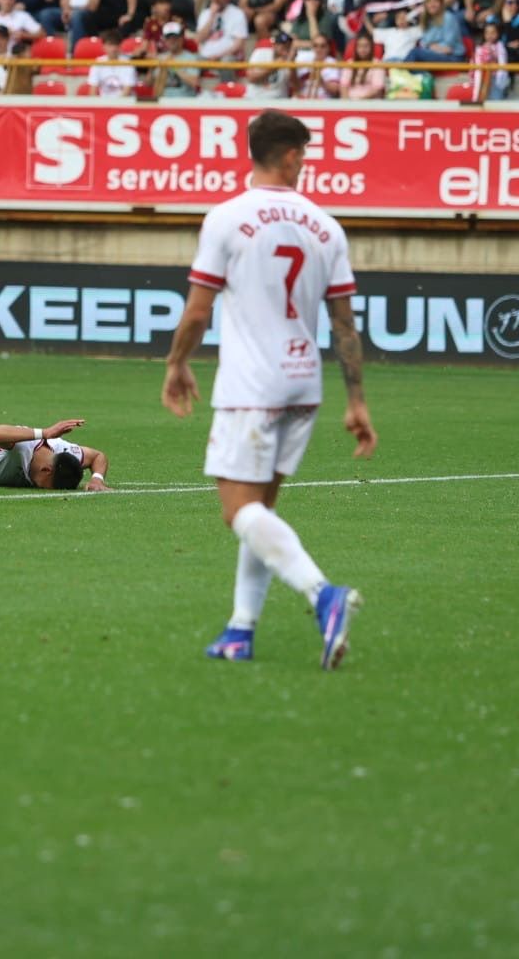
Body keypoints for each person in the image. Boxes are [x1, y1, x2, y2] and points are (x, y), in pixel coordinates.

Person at [160, 109, 374, 669]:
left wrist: (176, 364)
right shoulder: (326, 226)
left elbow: (197, 311)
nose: (306, 162)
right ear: (290, 155)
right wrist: (356, 400)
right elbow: (345, 325)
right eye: (304, 153)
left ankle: (322, 594)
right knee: (260, 513)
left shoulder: (227, 218)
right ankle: (241, 629)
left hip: (252, 386)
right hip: (304, 384)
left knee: (238, 513)